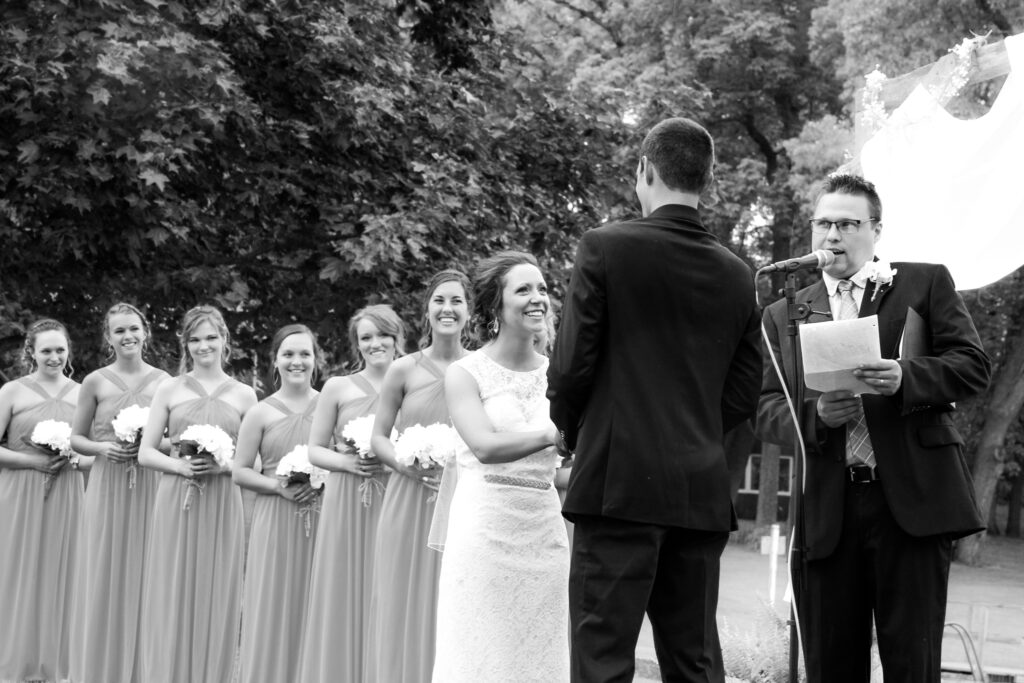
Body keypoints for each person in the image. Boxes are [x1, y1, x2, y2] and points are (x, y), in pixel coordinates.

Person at [547, 117, 763, 683]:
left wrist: (572, 433)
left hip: (617, 486)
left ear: (644, 169)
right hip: (698, 491)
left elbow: (571, 366)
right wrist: (694, 439)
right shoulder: (739, 275)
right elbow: (743, 394)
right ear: (707, 179)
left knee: (602, 658)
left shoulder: (605, 246)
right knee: (693, 660)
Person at [756, 174, 991, 683]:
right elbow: (766, 406)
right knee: (831, 664)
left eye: (847, 223)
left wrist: (907, 376)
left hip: (910, 502)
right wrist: (814, 417)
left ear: (876, 229)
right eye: (823, 223)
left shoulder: (921, 283)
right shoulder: (785, 312)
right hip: (828, 509)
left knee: (912, 662)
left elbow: (973, 365)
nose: (832, 236)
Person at [433, 251, 569, 681]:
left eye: (543, 289)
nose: (537, 299)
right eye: (524, 289)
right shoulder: (465, 374)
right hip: (484, 529)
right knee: (480, 651)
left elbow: (566, 467)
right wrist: (551, 436)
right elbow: (485, 446)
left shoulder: (560, 376)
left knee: (539, 651)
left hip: (544, 529)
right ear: (496, 303)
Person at [137, 305, 258, 683]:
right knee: (171, 586)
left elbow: (252, 463)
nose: (204, 345)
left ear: (225, 340)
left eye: (211, 337)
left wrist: (222, 467)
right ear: (185, 345)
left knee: (218, 588)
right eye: (195, 339)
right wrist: (181, 467)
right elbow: (146, 451)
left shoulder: (245, 395)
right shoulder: (169, 389)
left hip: (223, 500)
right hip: (176, 497)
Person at [364, 269, 471, 683]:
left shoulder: (480, 368)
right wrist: (405, 463)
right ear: (426, 309)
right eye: (440, 300)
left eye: (456, 301)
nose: (447, 308)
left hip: (462, 502)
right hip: (407, 500)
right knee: (400, 600)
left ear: (469, 310)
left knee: (454, 602)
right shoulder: (403, 370)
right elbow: (378, 437)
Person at [298, 305, 406, 683]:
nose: (375, 343)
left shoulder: (411, 380)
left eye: (382, 335)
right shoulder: (337, 387)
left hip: (397, 493)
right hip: (346, 498)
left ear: (397, 337)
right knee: (345, 590)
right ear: (356, 344)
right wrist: (348, 464)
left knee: (393, 586)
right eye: (366, 337)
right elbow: (315, 448)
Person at [69, 303, 170, 683]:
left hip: (151, 482)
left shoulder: (165, 382)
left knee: (150, 567)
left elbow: (173, 438)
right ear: (108, 338)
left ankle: (145, 666)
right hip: (107, 483)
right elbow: (78, 438)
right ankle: (101, 666)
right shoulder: (95, 382)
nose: (128, 336)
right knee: (103, 568)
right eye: (119, 331)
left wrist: (153, 445)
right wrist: (102, 448)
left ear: (146, 331)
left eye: (133, 328)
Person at [234, 324, 321, 683]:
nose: (296, 361)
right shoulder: (261, 412)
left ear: (316, 360)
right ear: (275, 361)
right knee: (273, 602)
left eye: (304, 354)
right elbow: (239, 472)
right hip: (275, 515)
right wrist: (277, 487)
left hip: (323, 515)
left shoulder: (328, 405)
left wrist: (323, 482)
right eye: (288, 354)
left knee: (318, 600)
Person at [0, 318, 84, 683]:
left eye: (60, 350)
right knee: (17, 572)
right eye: (46, 350)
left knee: (63, 572)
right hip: (19, 492)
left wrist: (77, 458)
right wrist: (34, 460)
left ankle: (57, 664)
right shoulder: (12, 392)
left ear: (68, 352)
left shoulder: (84, 393)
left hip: (67, 492)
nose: (54, 357)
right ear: (30, 352)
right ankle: (14, 661)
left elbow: (95, 451)